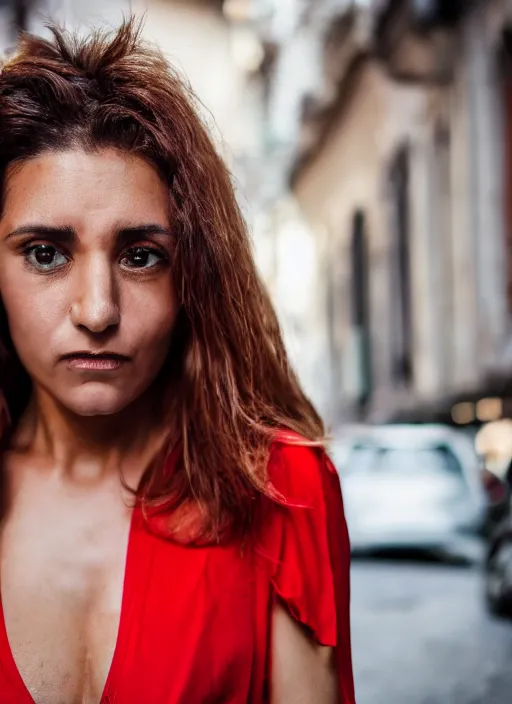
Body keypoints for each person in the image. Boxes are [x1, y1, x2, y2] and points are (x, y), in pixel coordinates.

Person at [0, 18, 355, 704]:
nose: (97, 311)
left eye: (140, 256)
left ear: (191, 275)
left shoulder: (279, 487)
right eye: (45, 253)